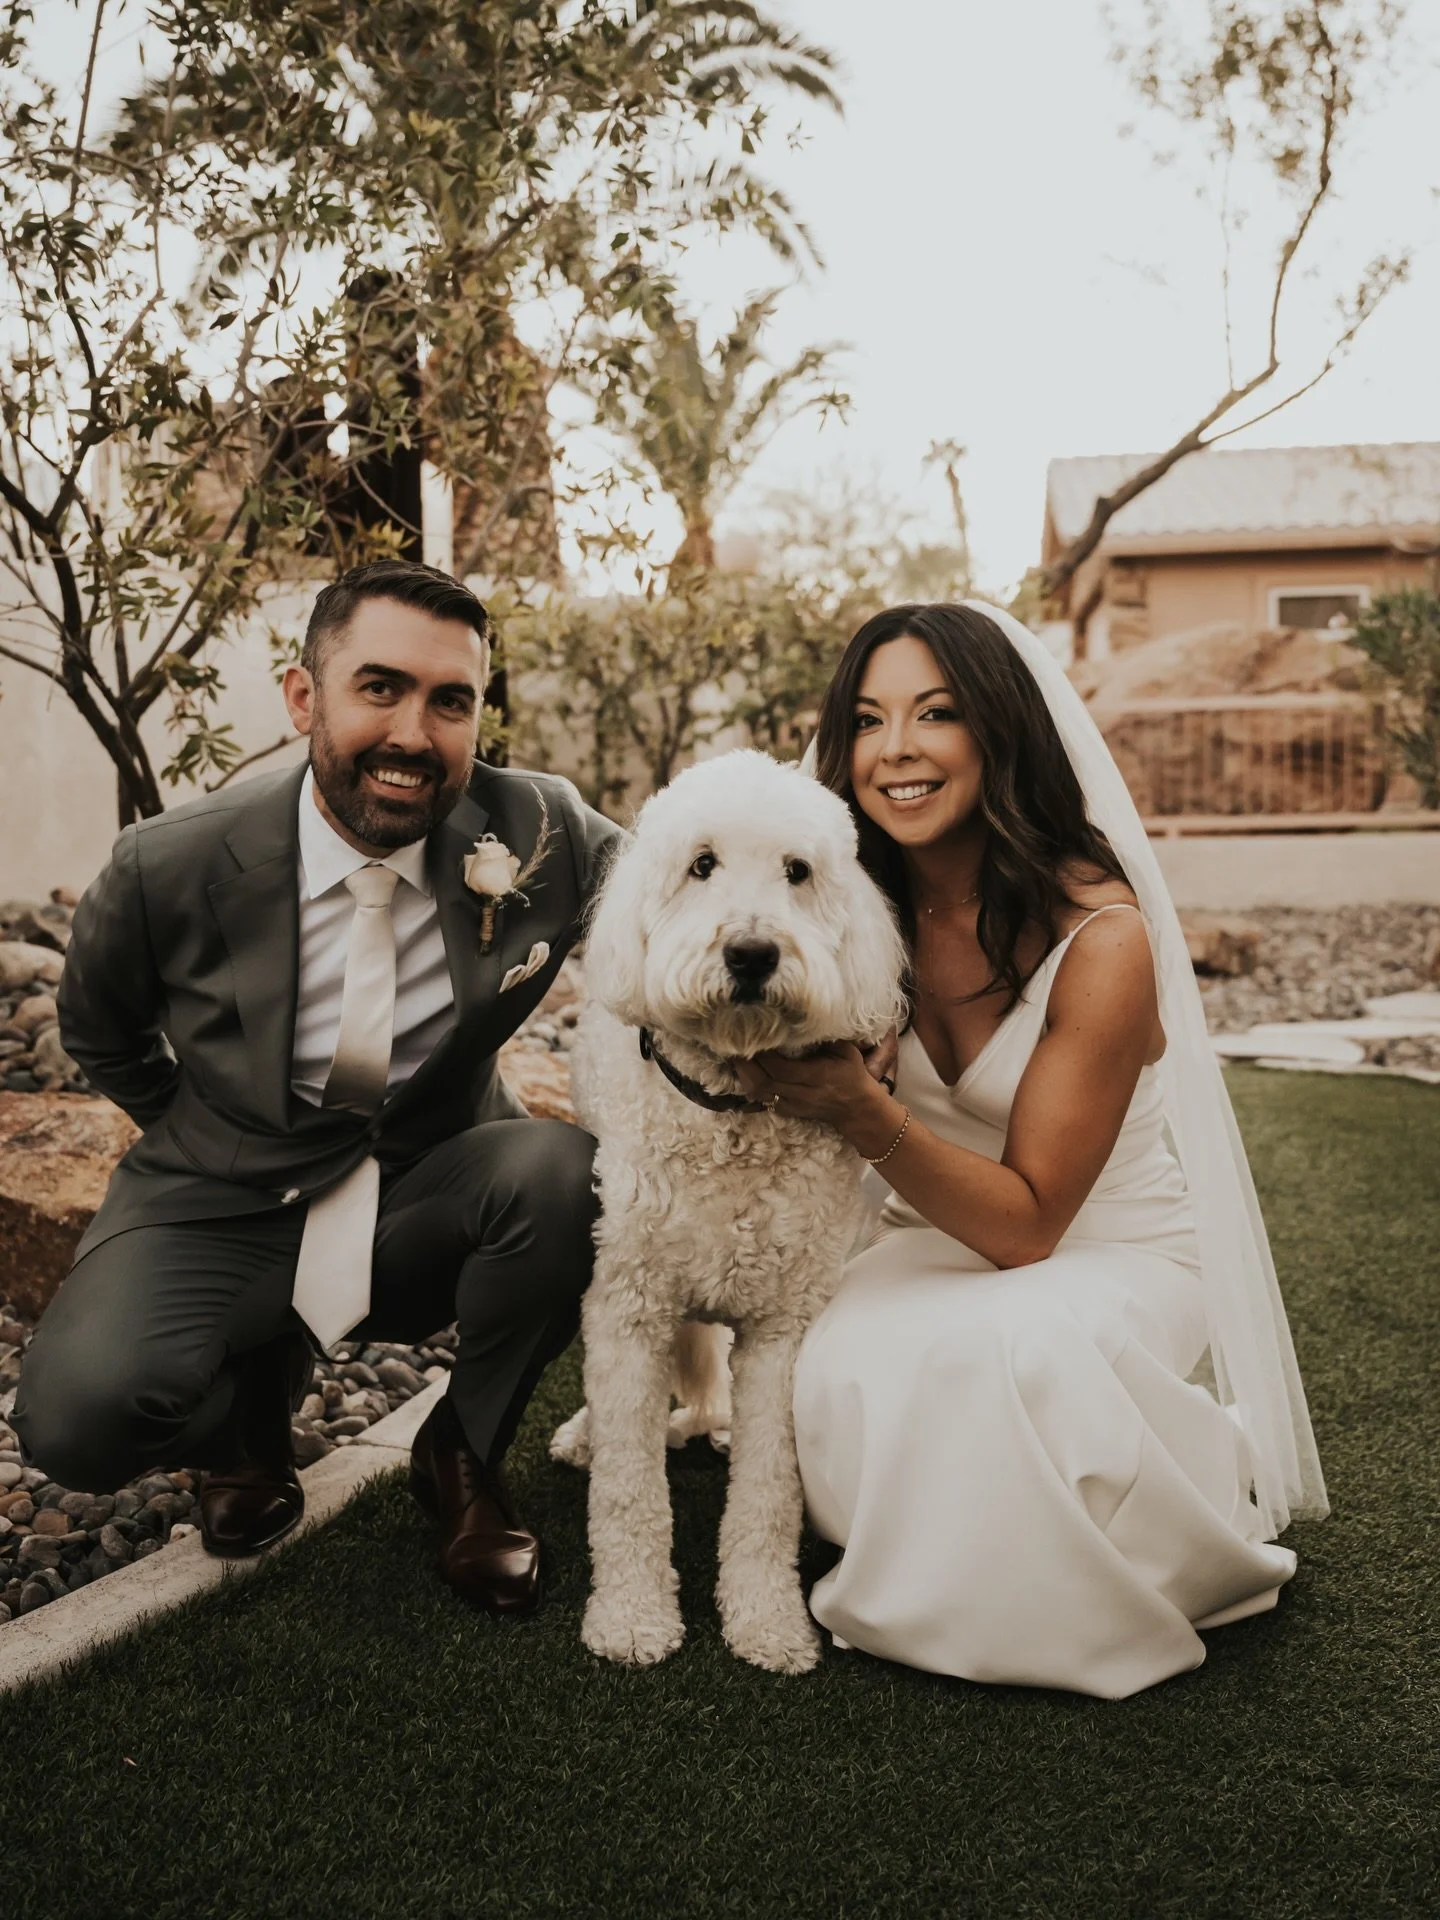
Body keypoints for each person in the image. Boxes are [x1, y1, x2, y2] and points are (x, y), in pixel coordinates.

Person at [734, 601, 1327, 1698]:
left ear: (999, 729)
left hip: (1103, 1244)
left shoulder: (1101, 937)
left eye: (935, 714)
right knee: (832, 1362)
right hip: (931, 1235)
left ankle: (1098, 1558)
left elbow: (1031, 1224)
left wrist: (860, 1111)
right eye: (866, 721)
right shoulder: (848, 908)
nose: (896, 750)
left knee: (1006, 1360)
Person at [14, 559, 619, 1619]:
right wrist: (202, 1129)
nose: (412, 733)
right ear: (305, 697)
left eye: (450, 700)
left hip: (434, 1185)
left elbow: (695, 883)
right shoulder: (167, 864)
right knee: (77, 1419)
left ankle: (462, 1452)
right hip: (220, 1196)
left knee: (566, 1175)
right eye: (378, 687)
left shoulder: (539, 829)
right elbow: (99, 1033)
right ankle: (246, 1421)